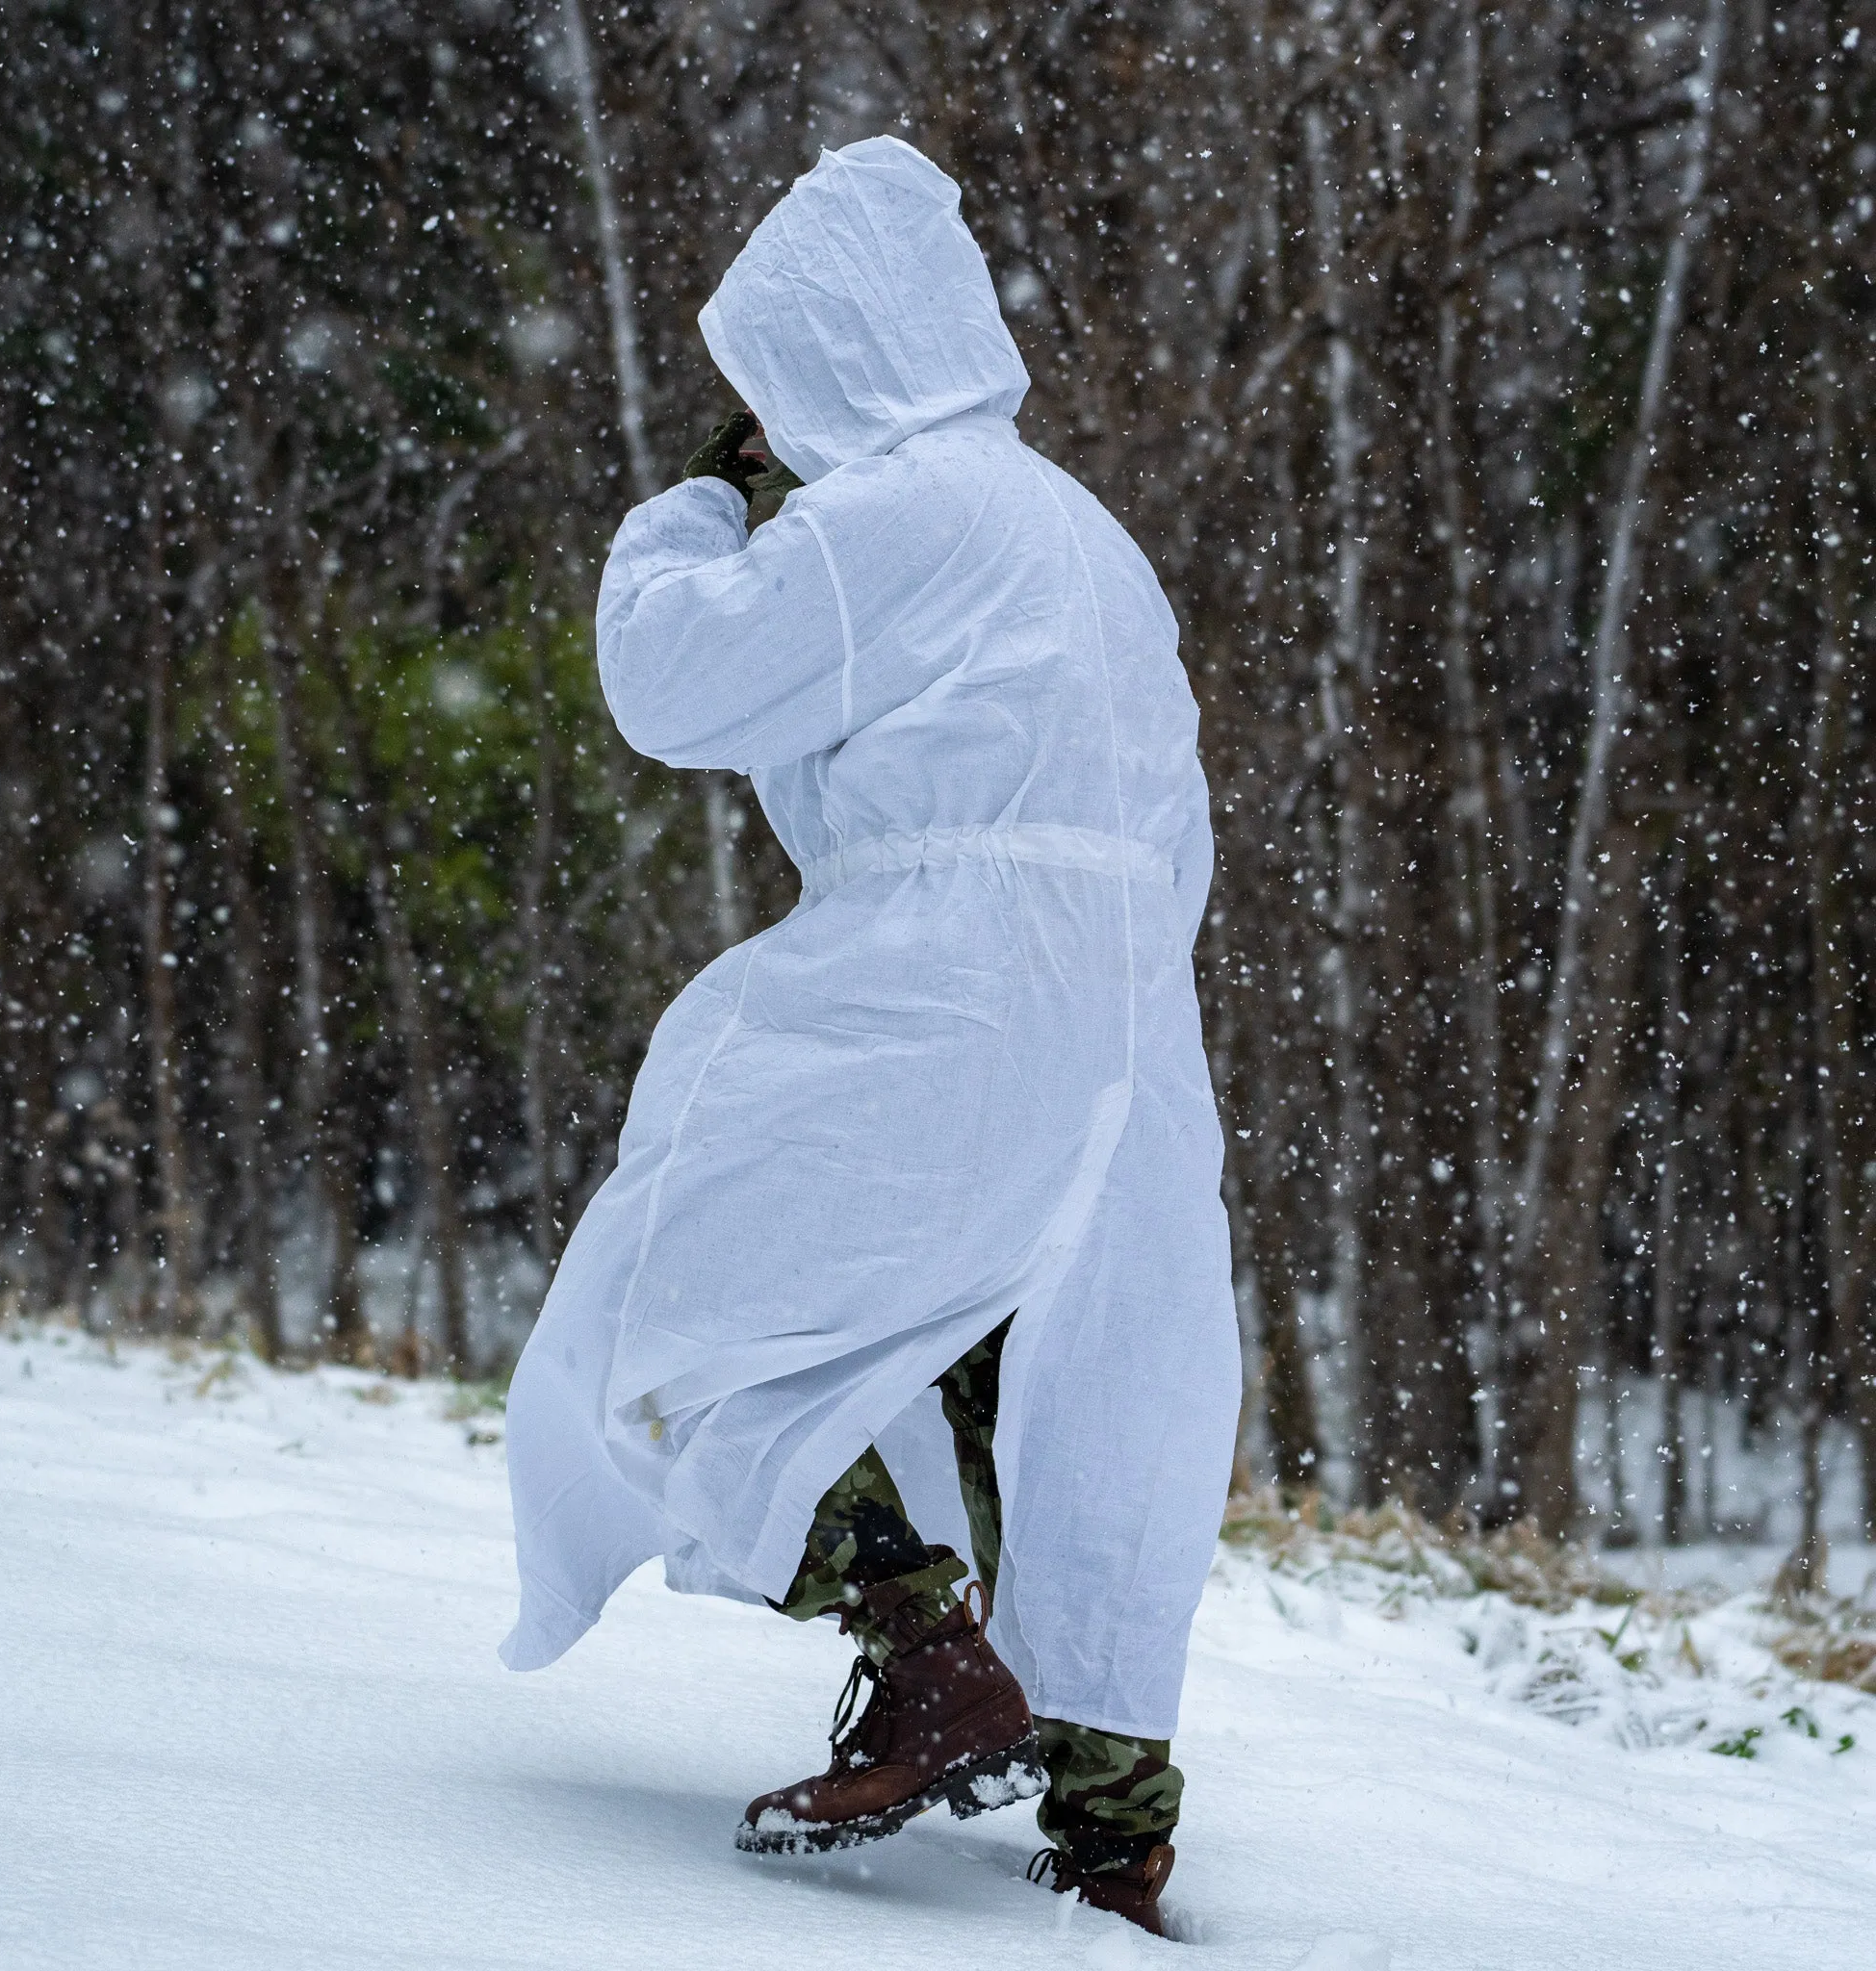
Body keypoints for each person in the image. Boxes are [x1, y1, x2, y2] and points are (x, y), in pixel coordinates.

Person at [501, 135, 1241, 1937]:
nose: (764, 425)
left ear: (828, 360)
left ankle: (927, 1661)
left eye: (767, 388)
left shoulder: (900, 508)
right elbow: (1174, 817)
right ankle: (1113, 1823)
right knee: (1057, 1375)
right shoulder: (1081, 529)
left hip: (950, 971)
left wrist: (690, 508)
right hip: (1132, 999)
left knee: (686, 1290)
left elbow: (677, 681)